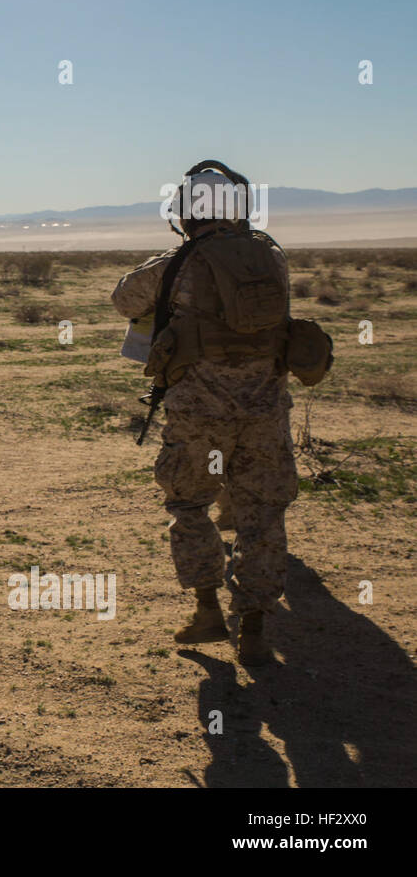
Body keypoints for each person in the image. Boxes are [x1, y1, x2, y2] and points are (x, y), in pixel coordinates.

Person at [112, 160, 297, 666]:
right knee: (262, 516)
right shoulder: (271, 258)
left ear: (184, 213)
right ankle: (255, 623)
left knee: (190, 506)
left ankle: (207, 610)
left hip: (200, 420)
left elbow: (122, 298)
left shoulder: (178, 264)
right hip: (265, 415)